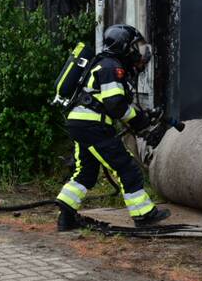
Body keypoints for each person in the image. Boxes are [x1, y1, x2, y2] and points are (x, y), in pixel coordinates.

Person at [55, 24, 170, 232]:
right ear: (124, 46)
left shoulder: (103, 64)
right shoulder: (111, 67)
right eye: (135, 47)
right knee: (127, 168)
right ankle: (143, 215)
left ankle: (65, 216)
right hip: (93, 124)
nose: (138, 53)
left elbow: (114, 102)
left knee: (86, 171)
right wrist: (140, 121)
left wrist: (141, 115)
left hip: (80, 122)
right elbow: (115, 104)